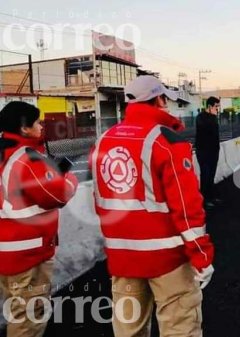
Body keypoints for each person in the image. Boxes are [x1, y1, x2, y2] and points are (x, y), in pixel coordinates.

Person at [89, 75, 215, 337]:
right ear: (158, 99)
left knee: (128, 331)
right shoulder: (168, 142)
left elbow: (99, 200)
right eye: (165, 98)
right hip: (168, 259)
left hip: (123, 259)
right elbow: (187, 206)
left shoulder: (104, 141)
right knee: (180, 327)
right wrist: (202, 255)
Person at [0, 101, 78, 337]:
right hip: (27, 254)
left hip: (5, 251)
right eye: (37, 122)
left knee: (15, 308)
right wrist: (69, 179)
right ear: (25, 128)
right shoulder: (28, 159)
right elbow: (59, 194)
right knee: (29, 318)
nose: (41, 125)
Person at [195, 96, 221, 209]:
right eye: (216, 107)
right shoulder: (201, 117)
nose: (217, 109)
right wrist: (212, 117)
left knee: (211, 175)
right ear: (210, 106)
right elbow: (206, 129)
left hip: (214, 151)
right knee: (205, 175)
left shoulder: (214, 118)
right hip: (203, 152)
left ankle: (211, 197)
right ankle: (203, 200)